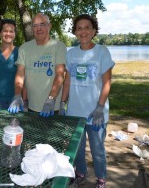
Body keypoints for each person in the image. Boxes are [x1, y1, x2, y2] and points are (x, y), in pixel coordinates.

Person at [59, 14, 115, 188]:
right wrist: (62, 102)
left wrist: (100, 107)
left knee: (98, 150)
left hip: (96, 115)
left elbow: (107, 82)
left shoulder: (102, 52)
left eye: (87, 27)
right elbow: (67, 81)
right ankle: (80, 173)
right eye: (79, 28)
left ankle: (101, 179)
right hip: (75, 113)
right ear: (75, 32)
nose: (83, 31)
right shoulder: (71, 53)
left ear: (94, 31)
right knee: (78, 149)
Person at [7, 13, 66, 117]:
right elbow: (20, 75)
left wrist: (51, 99)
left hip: (52, 107)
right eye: (35, 25)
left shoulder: (59, 46)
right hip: (32, 107)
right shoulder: (24, 48)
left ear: (49, 26)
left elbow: (60, 75)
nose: (39, 28)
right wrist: (17, 96)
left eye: (42, 24)